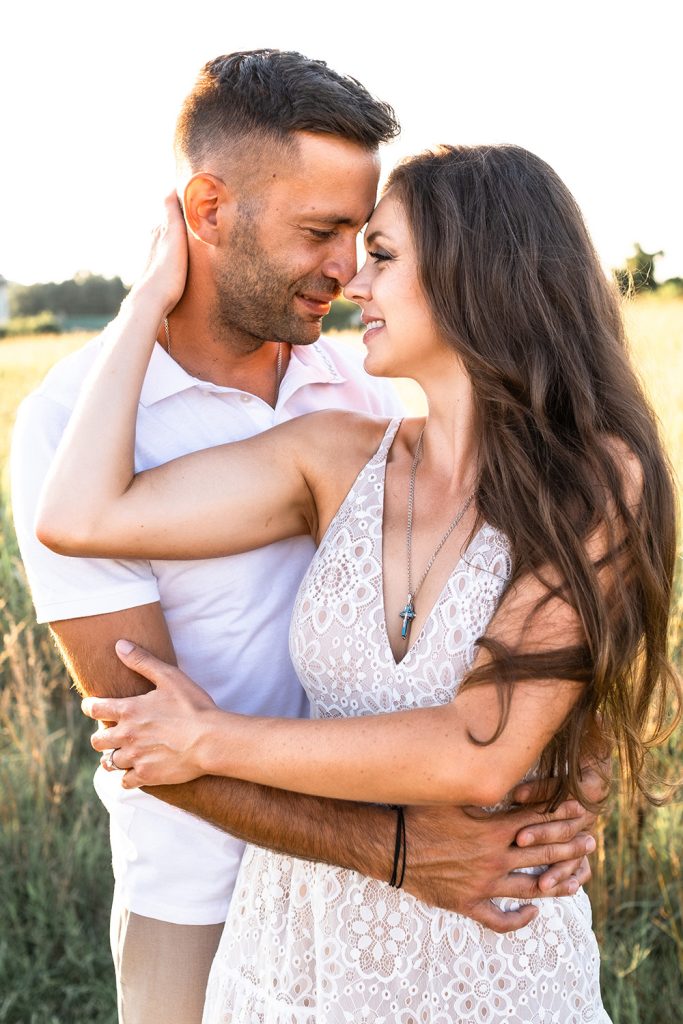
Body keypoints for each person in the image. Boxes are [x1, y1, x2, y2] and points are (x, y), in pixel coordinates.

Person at [10, 52, 598, 1024]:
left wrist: (560, 769)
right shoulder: (73, 426)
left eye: (363, 239)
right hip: (205, 897)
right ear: (207, 210)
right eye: (319, 231)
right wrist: (399, 849)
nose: (343, 269)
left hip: (417, 880)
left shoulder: (358, 395)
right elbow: (136, 725)